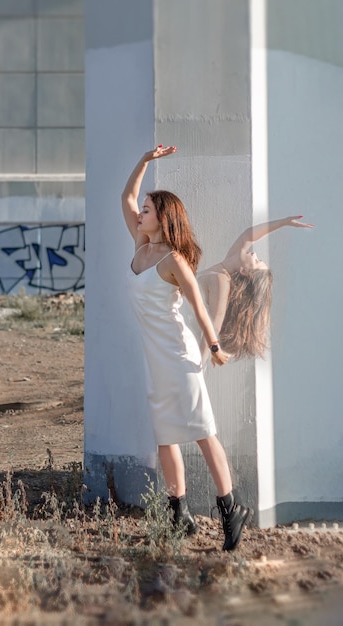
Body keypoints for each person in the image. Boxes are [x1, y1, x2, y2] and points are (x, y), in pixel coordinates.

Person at [122, 145, 252, 551]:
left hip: (180, 356)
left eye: (147, 210)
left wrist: (213, 346)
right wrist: (144, 161)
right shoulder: (140, 248)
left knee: (201, 432)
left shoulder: (173, 260)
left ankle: (231, 509)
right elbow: (125, 197)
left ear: (162, 218)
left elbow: (196, 302)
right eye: (142, 209)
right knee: (166, 437)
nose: (140, 213)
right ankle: (179, 513)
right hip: (155, 362)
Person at [197, 216, 313, 363]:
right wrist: (283, 223)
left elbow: (214, 326)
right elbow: (248, 235)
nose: (254, 253)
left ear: (245, 272)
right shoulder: (225, 266)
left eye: (257, 261)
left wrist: (198, 365)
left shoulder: (222, 281)